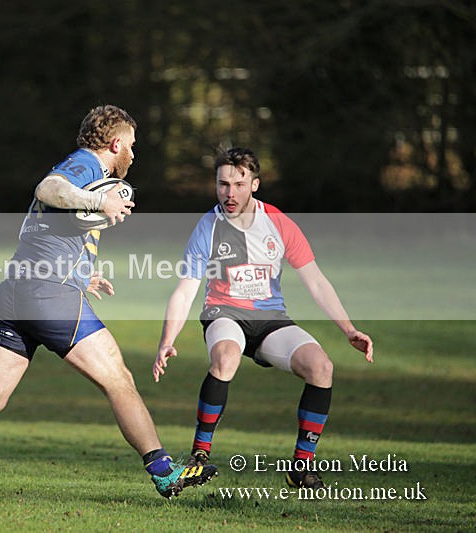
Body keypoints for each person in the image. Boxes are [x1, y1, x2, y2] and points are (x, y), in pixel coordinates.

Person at [0, 105, 216, 499]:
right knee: (119, 381)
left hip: (17, 291)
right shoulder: (85, 166)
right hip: (49, 293)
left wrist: (84, 272)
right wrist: (99, 204)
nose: (134, 154)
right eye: (132, 146)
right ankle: (164, 471)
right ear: (116, 143)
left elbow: (44, 227)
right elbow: (47, 188)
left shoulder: (87, 173)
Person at [152, 146, 374, 489]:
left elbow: (315, 280)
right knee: (225, 358)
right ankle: (199, 456)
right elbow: (185, 289)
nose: (230, 192)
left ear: (255, 184)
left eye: (239, 184)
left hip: (271, 318)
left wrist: (349, 330)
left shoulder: (278, 223)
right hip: (223, 313)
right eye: (223, 184)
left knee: (321, 367)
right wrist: (168, 341)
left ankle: (301, 465)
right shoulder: (208, 227)